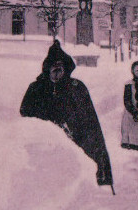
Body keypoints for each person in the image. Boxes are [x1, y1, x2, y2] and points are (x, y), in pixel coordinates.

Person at [20, 40, 113, 187]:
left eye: (60, 67)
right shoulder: (36, 88)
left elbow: (91, 123)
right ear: (47, 68)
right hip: (47, 148)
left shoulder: (77, 88)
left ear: (66, 67)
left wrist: (102, 167)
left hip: (77, 143)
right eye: (53, 67)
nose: (57, 71)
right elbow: (25, 115)